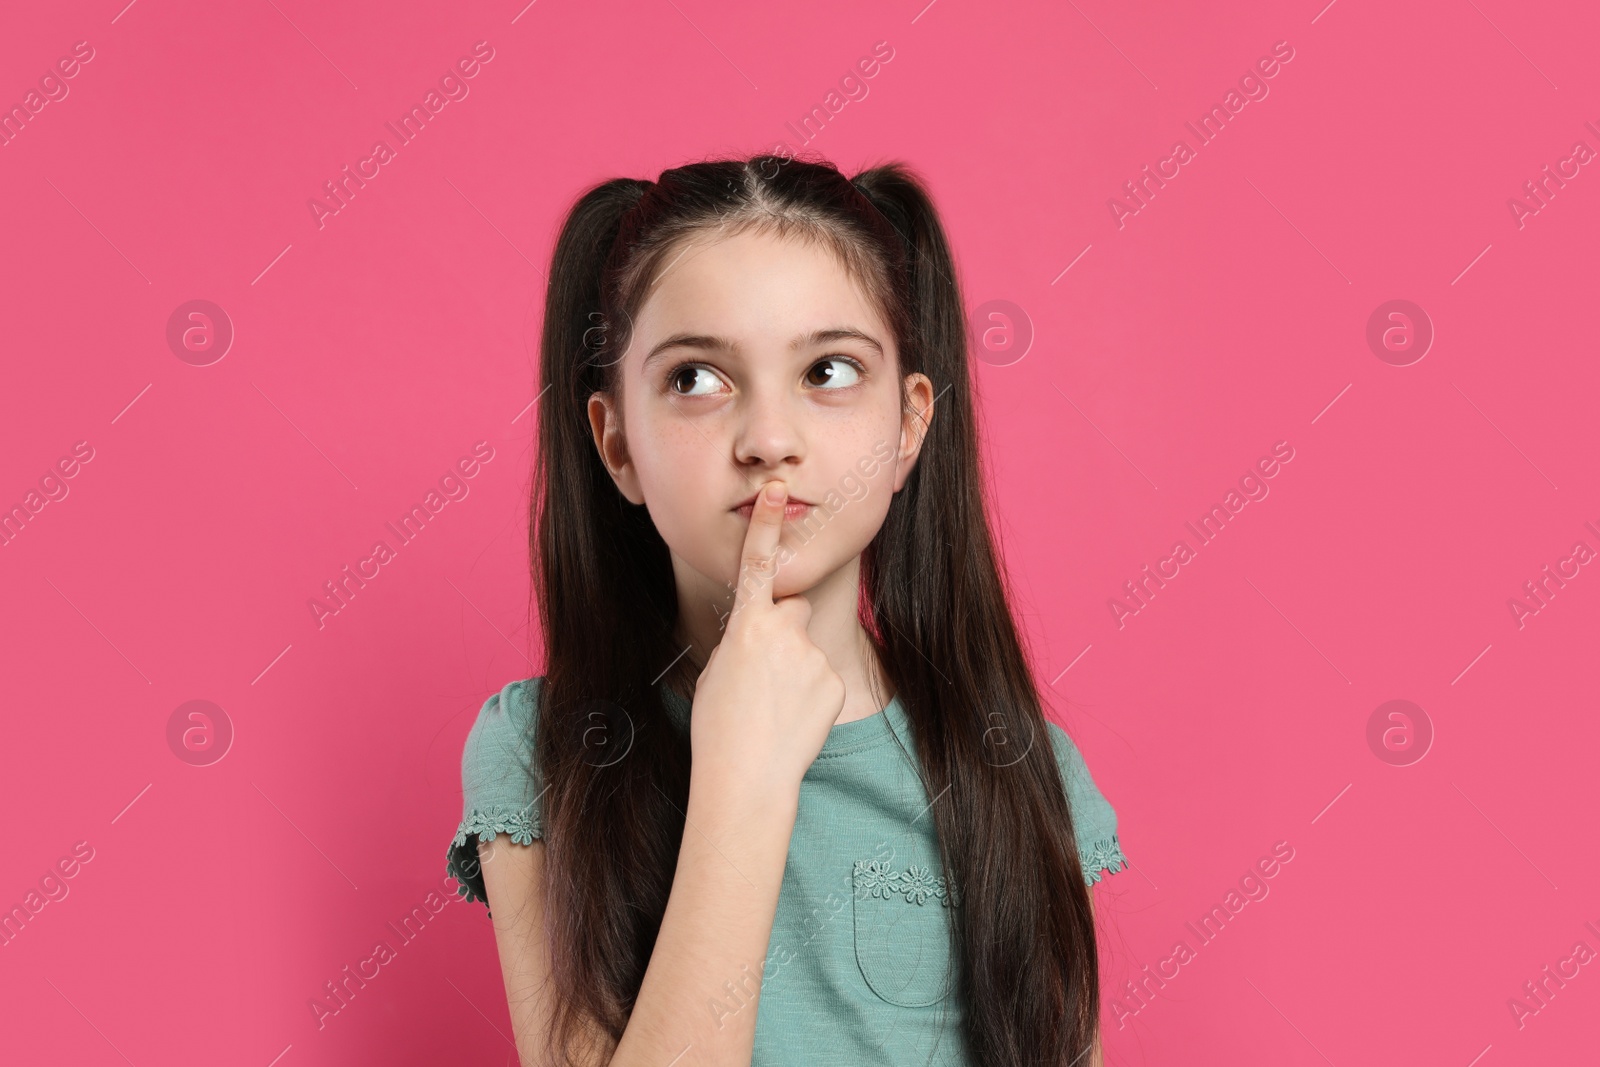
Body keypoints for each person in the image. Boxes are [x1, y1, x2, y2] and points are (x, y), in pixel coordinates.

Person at [444, 152, 1129, 1067]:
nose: (769, 439)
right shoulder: (547, 749)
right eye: (696, 379)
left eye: (830, 370)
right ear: (617, 446)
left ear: (909, 426)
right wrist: (743, 774)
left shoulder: (1014, 768)